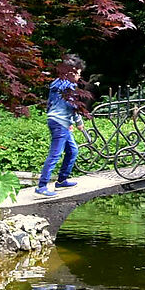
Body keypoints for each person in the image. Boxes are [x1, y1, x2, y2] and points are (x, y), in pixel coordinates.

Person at [34, 56, 85, 195]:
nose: (79, 76)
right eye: (78, 73)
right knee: (55, 154)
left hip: (59, 121)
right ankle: (42, 186)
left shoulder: (56, 84)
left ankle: (62, 181)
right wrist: (79, 123)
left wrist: (68, 122)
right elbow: (73, 107)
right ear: (71, 72)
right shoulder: (68, 87)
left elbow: (52, 104)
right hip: (59, 123)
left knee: (72, 151)